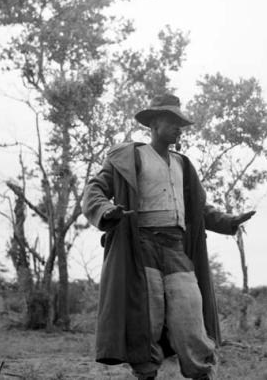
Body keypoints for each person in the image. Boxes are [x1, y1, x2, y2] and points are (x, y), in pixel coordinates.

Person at [82, 93, 255, 379]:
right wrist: (107, 210)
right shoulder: (129, 158)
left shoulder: (183, 165)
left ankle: (201, 372)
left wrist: (228, 221)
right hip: (142, 248)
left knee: (191, 319)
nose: (179, 128)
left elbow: (198, 210)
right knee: (146, 321)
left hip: (176, 249)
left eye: (180, 123)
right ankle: (146, 373)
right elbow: (95, 190)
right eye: (172, 121)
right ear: (154, 123)